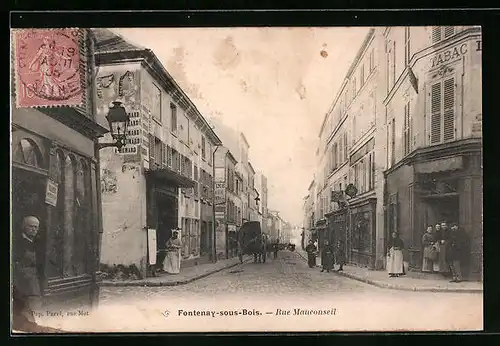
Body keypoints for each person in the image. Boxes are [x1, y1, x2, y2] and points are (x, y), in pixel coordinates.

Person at [13, 216, 42, 330]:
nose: (34, 229)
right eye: (31, 226)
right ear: (24, 226)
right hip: (22, 284)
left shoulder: (36, 242)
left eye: (36, 227)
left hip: (33, 283)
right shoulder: (17, 242)